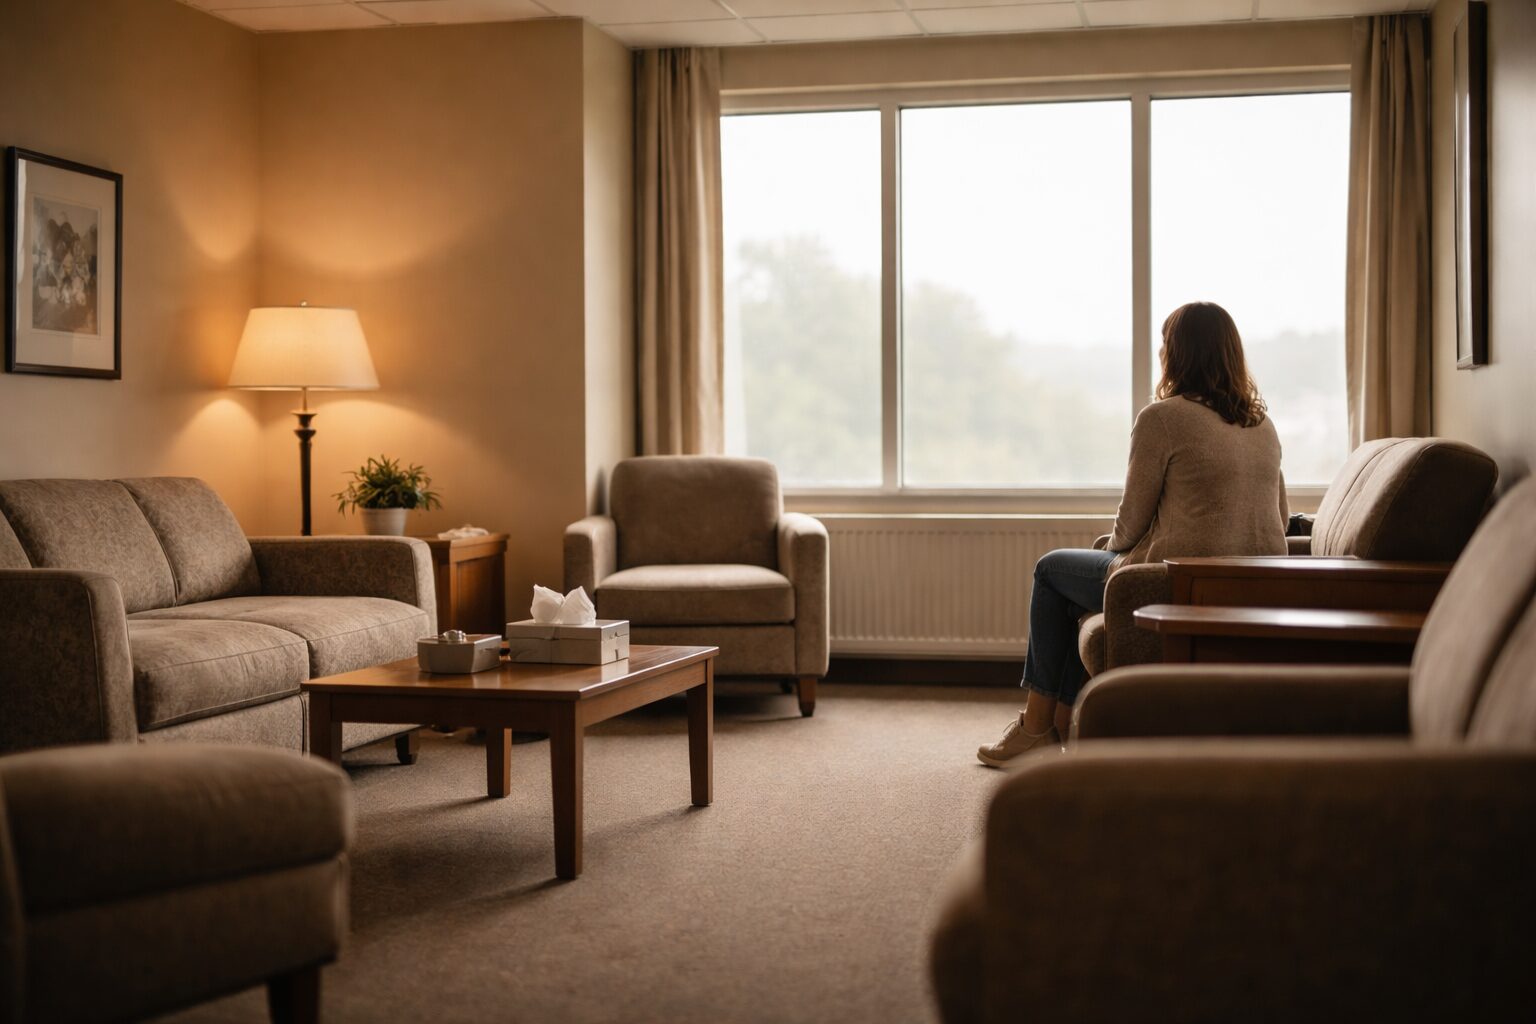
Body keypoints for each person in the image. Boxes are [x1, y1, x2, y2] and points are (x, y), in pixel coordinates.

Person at [977, 301, 1288, 767]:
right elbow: (1279, 517)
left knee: (1051, 571)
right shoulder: (1263, 425)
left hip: (1169, 583)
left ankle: (1036, 725)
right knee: (1071, 592)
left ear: (1177, 353)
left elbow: (1131, 522)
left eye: (1165, 343)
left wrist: (1109, 547)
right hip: (1252, 587)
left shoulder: (1163, 418)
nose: (1161, 352)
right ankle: (1061, 724)